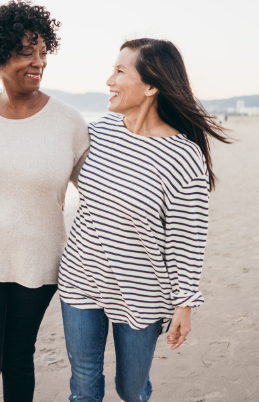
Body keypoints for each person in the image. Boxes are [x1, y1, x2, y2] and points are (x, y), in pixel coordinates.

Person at [57, 38, 230, 402]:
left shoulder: (184, 156)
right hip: (81, 279)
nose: (109, 80)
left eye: (120, 71)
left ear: (151, 86)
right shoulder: (98, 133)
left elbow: (188, 236)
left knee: (131, 389)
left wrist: (185, 302)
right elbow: (55, 173)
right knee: (84, 388)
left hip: (142, 292)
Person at [0, 0, 90, 401]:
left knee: (16, 357)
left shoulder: (68, 121)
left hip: (39, 256)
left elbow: (98, 194)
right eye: (26, 53)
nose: (38, 62)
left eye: (43, 52)